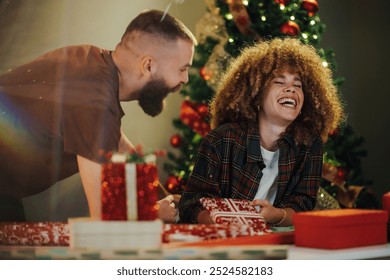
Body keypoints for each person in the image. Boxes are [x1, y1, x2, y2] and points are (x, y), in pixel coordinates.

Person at [0, 9, 197, 222]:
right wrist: (153, 213)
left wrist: (165, 199)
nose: (185, 79)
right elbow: (102, 216)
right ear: (148, 65)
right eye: (182, 69)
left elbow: (122, 148)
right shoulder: (95, 102)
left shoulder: (94, 64)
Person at [178, 37, 344, 226]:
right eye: (280, 82)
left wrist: (275, 215)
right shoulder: (222, 140)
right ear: (257, 95)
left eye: (297, 85)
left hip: (273, 244)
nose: (290, 89)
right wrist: (226, 221)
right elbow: (190, 206)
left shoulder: (310, 145)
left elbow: (302, 206)